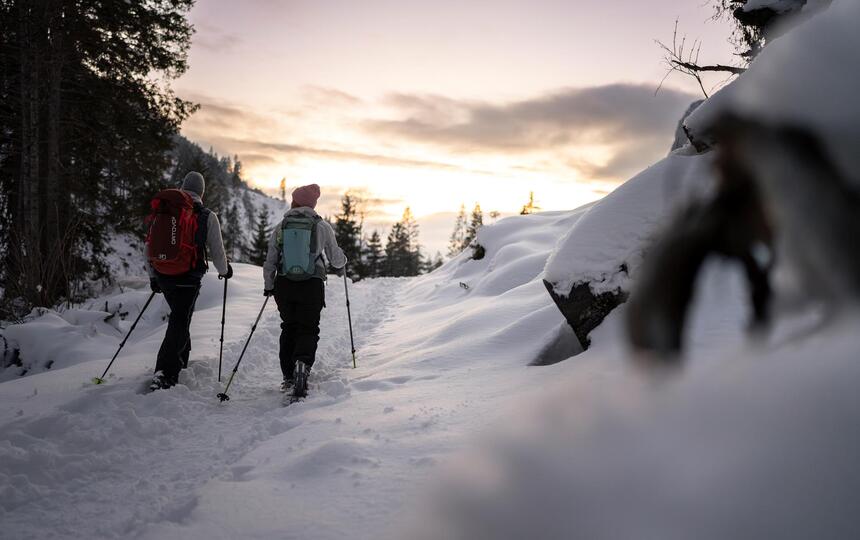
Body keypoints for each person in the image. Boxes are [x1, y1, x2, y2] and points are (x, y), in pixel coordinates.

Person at [146, 171, 232, 390]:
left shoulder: (165, 209)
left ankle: (181, 360)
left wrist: (153, 276)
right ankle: (165, 373)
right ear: (201, 192)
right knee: (180, 320)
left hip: (163, 274)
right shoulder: (207, 215)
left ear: (183, 187)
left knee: (181, 317)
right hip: (188, 277)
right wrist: (225, 270)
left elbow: (149, 245)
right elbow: (217, 251)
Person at [263, 183, 346, 396]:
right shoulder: (322, 226)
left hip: (284, 284)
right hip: (312, 283)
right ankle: (302, 364)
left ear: (295, 202)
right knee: (308, 328)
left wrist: (269, 285)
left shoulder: (281, 226)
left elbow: (271, 259)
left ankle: (288, 376)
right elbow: (336, 260)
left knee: (288, 327)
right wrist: (343, 258)